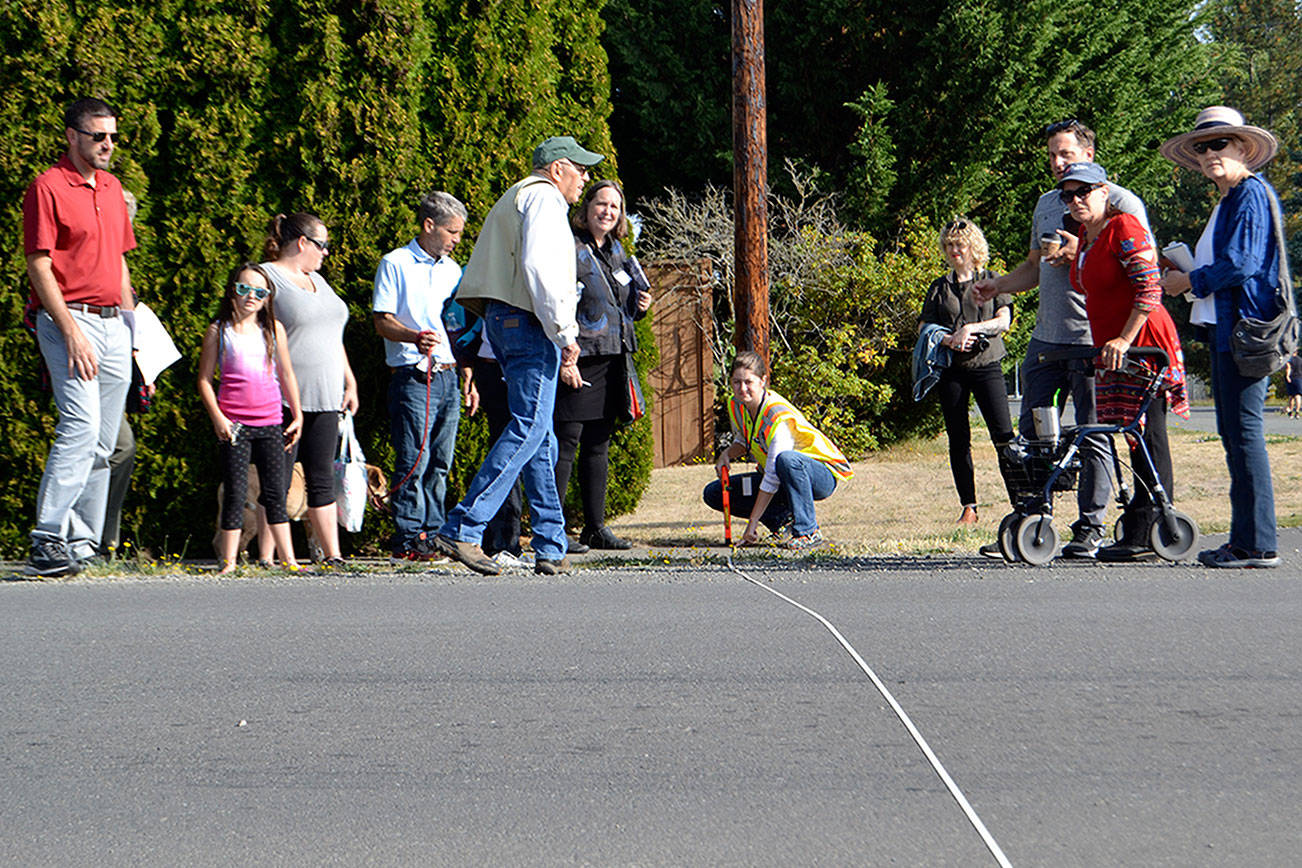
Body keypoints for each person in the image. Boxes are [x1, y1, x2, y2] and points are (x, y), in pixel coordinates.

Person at [974, 120, 1151, 559]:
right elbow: (1035, 268)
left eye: (1065, 154)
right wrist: (999, 286)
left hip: (1096, 339)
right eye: (1052, 154)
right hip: (1047, 338)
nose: (1057, 163)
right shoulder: (1046, 204)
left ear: (1089, 155)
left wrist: (1081, 254)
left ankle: (1089, 529)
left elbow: (1145, 272)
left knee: (1093, 434)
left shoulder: (1121, 203)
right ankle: (1032, 524)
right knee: (1034, 434)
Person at [432, 136, 604, 576]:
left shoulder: (518, 196)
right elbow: (541, 271)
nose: (585, 178)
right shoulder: (545, 198)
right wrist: (566, 334)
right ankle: (464, 526)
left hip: (506, 321)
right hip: (529, 322)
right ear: (557, 168)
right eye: (580, 169)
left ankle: (550, 542)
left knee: (541, 434)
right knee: (530, 427)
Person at [1158, 106, 1284, 568]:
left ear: (1243, 149)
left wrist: (1189, 281)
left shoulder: (1249, 193)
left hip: (1244, 331)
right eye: (1202, 146)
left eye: (1220, 144)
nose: (1210, 152)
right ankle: (1247, 541)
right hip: (1229, 330)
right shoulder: (1230, 200)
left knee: (1244, 433)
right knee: (1234, 433)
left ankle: (1258, 544)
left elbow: (1242, 264)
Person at [22, 97, 136, 576]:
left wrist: (133, 331)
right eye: (98, 136)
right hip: (72, 320)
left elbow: (120, 262)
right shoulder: (47, 187)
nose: (108, 144)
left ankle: (83, 543)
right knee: (81, 427)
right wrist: (70, 331)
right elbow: (38, 263)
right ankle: (48, 537)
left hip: (114, 324)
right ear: (72, 136)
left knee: (106, 441)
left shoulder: (112, 188)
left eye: (112, 136)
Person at [1057, 161, 1189, 562]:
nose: (1076, 200)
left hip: (1143, 344)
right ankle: (1138, 523)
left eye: (1085, 192)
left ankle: (1152, 529)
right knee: (1132, 435)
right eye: (1068, 194)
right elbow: (1089, 286)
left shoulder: (1124, 227)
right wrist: (1072, 256)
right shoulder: (1087, 235)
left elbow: (1150, 290)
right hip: (1114, 349)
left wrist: (1124, 338)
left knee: (1149, 435)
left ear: (1104, 191)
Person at [555, 179, 653, 550]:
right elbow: (559, 304)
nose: (608, 212)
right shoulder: (570, 249)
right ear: (586, 208)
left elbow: (622, 305)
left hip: (615, 359)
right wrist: (567, 356)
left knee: (599, 444)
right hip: (579, 358)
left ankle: (595, 527)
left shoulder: (618, 251)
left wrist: (639, 309)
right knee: (567, 442)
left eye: (615, 207)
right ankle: (555, 529)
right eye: (601, 204)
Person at [372, 191, 469, 562]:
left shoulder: (453, 270)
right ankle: (409, 537)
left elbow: (460, 326)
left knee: (441, 461)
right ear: (428, 226)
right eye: (451, 231)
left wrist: (468, 370)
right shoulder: (395, 263)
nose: (456, 239)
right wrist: (414, 336)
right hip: (414, 375)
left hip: (448, 375)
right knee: (415, 458)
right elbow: (382, 321)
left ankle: (434, 532)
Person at [260, 212, 358, 566]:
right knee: (279, 479)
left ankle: (332, 554)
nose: (326, 253)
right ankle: (269, 557)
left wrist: (349, 379)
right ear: (302, 243)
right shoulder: (266, 276)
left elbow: (332, 334)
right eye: (323, 245)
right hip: (286, 397)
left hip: (326, 394)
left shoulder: (319, 281)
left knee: (322, 475)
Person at [197, 264, 304, 573]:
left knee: (275, 493)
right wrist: (218, 418)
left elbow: (286, 374)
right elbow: (204, 380)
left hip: (271, 421)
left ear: (268, 297)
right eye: (244, 289)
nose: (251, 297)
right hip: (235, 425)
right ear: (233, 289)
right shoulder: (219, 330)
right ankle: (228, 562)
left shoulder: (273, 330)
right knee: (235, 490)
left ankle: (289, 559)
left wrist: (296, 414)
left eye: (260, 292)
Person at [703, 351, 853, 548]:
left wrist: (752, 524)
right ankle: (783, 525)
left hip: (821, 474)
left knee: (787, 460)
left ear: (762, 381)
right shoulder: (737, 405)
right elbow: (744, 439)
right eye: (736, 382)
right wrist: (726, 454)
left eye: (748, 382)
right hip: (784, 475)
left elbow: (773, 475)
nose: (742, 388)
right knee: (715, 492)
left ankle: (808, 531)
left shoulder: (776, 414)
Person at [917, 218, 1014, 525]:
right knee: (958, 439)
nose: (954, 250)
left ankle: (1020, 502)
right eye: (949, 245)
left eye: (959, 244)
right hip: (952, 371)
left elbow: (1004, 320)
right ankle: (969, 506)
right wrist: (947, 339)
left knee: (1004, 436)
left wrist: (972, 328)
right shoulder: (939, 286)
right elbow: (923, 325)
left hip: (987, 365)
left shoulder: (991, 279)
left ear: (973, 247)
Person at [1286, 351, 1302, 419]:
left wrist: (1287, 376)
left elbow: (1288, 368)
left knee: (1291, 396)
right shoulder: (1300, 360)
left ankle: (1291, 412)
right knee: (1298, 396)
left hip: (1292, 378)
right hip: (1299, 378)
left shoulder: (1289, 359)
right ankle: (1297, 412)